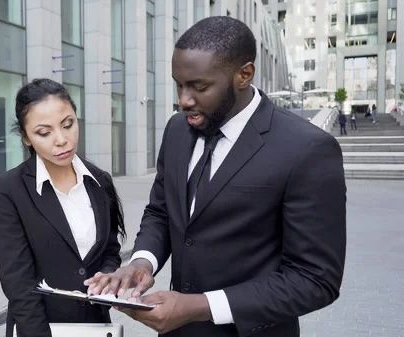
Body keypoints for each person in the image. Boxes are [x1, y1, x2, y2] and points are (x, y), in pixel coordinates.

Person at [85, 16, 346, 337]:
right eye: (179, 84)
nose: (183, 99)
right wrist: (142, 262)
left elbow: (315, 279)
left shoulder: (307, 149)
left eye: (200, 86)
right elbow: (162, 211)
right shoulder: (177, 129)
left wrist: (201, 306)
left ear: (244, 74)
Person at [0, 78, 126, 337]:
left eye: (68, 124)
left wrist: (107, 277)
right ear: (26, 137)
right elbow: (18, 282)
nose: (62, 140)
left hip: (96, 326)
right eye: (44, 132)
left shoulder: (100, 180)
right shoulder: (8, 189)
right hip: (38, 328)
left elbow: (110, 249)